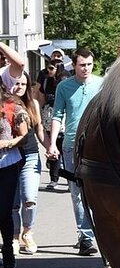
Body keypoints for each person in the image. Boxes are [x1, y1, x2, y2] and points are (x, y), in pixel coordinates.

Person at [47, 49, 103, 256]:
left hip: (99, 146)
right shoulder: (64, 86)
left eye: (89, 64)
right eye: (82, 65)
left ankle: (104, 231)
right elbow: (57, 116)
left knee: (101, 191)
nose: (86, 68)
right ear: (74, 65)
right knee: (78, 194)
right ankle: (86, 238)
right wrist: (52, 144)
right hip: (72, 146)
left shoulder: (102, 84)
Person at [11, 72, 48, 255]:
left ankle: (28, 232)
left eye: (23, 84)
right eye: (16, 83)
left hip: (31, 156)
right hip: (9, 158)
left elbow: (39, 129)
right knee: (13, 203)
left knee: (29, 199)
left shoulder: (32, 104)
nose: (19, 87)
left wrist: (50, 146)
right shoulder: (5, 105)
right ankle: (14, 237)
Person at [0, 87, 28, 268]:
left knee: (2, 211)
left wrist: (7, 143)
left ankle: (8, 247)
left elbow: (25, 138)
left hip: (6, 164)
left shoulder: (13, 107)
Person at [36, 49, 69, 189]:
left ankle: (69, 180)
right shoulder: (45, 77)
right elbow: (42, 96)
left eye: (53, 67)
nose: (50, 70)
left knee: (64, 147)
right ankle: (53, 179)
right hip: (49, 115)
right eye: (50, 66)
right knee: (52, 146)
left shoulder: (66, 78)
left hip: (64, 116)